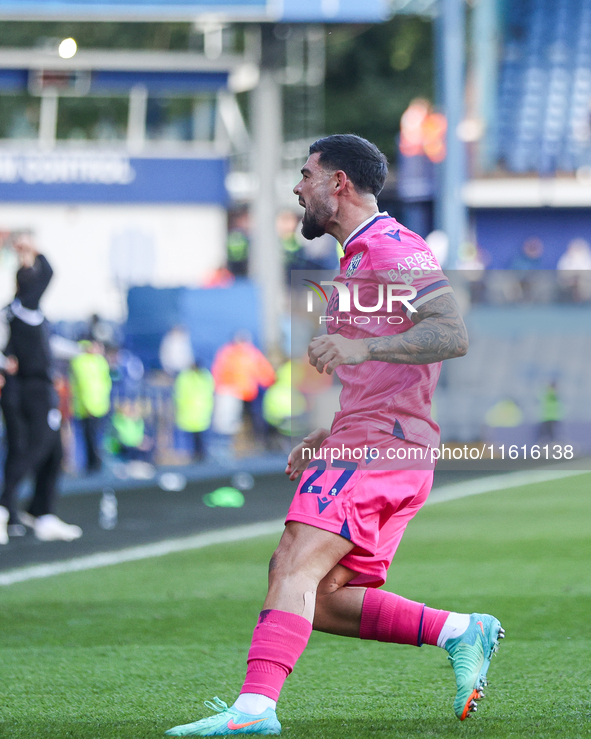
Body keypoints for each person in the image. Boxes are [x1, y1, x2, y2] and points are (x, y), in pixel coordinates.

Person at [165, 135, 504, 737]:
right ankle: (459, 629)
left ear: (338, 183)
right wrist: (334, 428)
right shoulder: (357, 258)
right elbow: (387, 370)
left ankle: (253, 713)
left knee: (293, 558)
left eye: (305, 175)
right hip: (376, 439)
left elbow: (452, 332)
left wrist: (361, 347)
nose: (297, 188)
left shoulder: (390, 246)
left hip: (383, 445)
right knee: (319, 595)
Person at [0, 232, 82, 544]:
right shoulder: (26, 307)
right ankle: (8, 504)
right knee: (42, 448)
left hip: (18, 388)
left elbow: (42, 345)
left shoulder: (13, 311)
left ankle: (37, 512)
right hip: (34, 388)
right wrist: (34, 251)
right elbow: (48, 274)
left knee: (29, 449)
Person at [70, 340, 112, 473]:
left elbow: (105, 383)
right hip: (87, 407)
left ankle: (96, 464)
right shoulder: (81, 361)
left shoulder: (99, 361)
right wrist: (88, 405)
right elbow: (85, 386)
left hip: (100, 405)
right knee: (90, 437)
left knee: (98, 436)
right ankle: (92, 465)